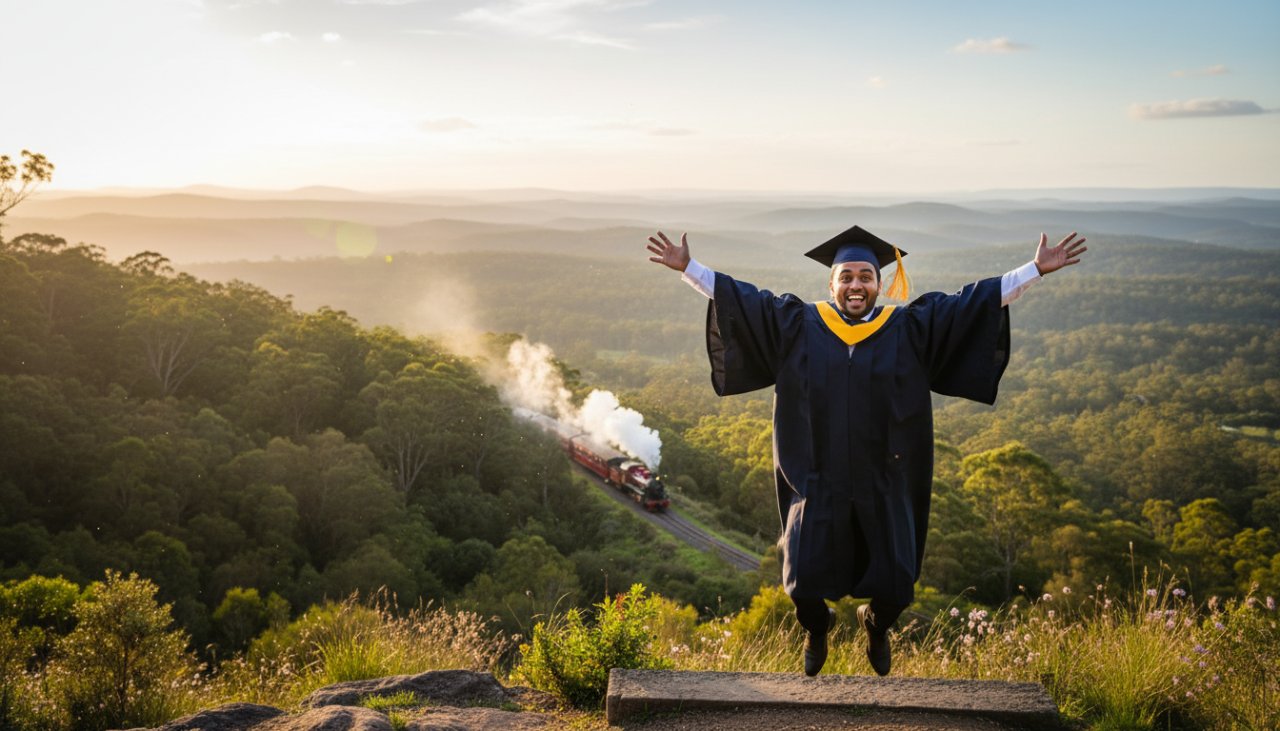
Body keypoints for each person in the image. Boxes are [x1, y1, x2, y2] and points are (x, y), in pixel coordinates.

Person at [646, 225, 1086, 677]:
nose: (856, 286)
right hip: (817, 480)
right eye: (846, 277)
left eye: (865, 277)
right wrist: (688, 269)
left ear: (879, 283)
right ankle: (817, 628)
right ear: (831, 283)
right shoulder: (797, 324)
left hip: (886, 480)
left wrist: (1034, 270)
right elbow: (741, 300)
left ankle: (875, 625)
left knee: (898, 587)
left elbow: (974, 302)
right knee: (800, 583)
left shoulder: (909, 328)